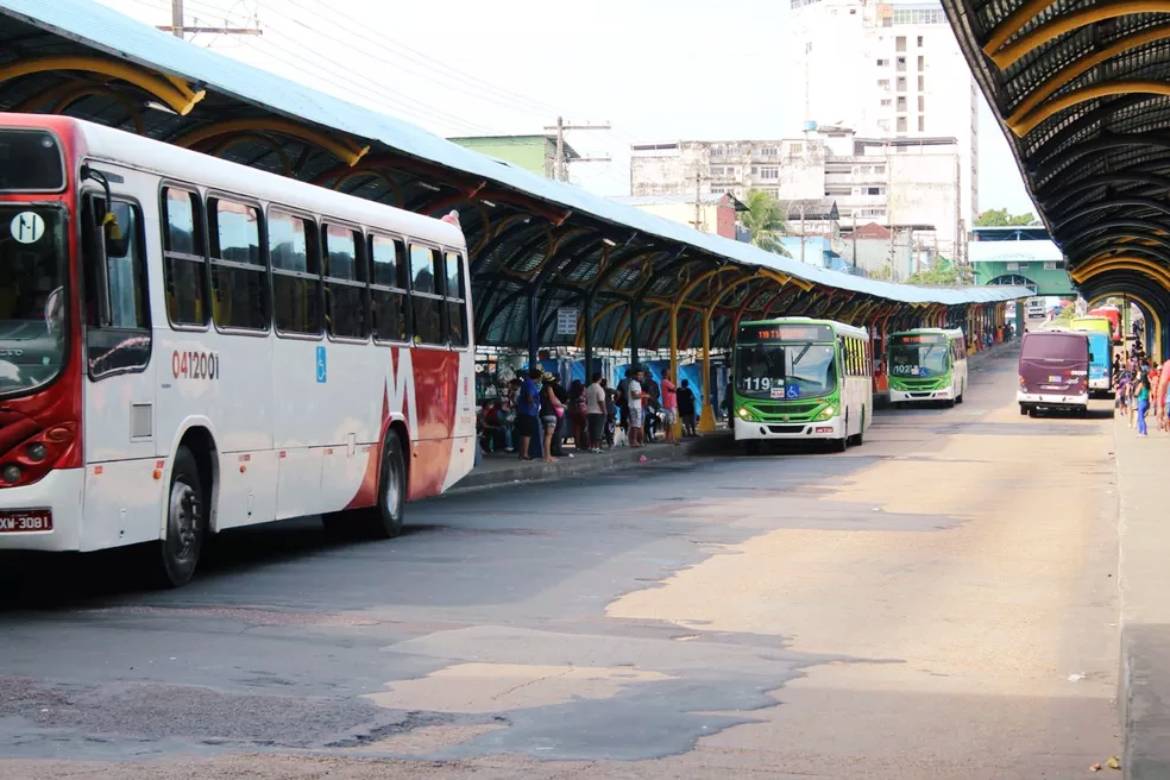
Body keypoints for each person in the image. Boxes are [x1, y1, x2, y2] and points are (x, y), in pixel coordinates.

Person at [516, 368, 542, 460]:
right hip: (528, 412)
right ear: (538, 377)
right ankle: (525, 454)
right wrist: (534, 404)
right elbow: (529, 397)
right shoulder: (530, 384)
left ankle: (521, 453)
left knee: (523, 433)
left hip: (523, 411)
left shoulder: (525, 383)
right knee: (527, 434)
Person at [540, 373, 562, 463]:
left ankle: (547, 455)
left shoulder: (541, 389)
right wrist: (562, 405)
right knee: (549, 436)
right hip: (550, 413)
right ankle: (548, 456)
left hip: (543, 413)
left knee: (546, 435)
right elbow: (553, 401)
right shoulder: (549, 388)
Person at [585, 372, 606, 453]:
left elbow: (586, 400)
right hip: (598, 412)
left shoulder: (588, 388)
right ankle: (596, 447)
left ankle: (591, 446)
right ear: (599, 379)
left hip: (589, 412)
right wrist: (604, 411)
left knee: (591, 430)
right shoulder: (599, 389)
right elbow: (601, 401)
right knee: (598, 430)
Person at [568, 379, 589, 451]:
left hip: (573, 411)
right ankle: (585, 444)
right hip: (583, 410)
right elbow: (587, 399)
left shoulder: (571, 392)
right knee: (585, 427)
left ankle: (577, 445)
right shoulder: (583, 389)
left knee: (576, 429)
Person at [627, 368, 645, 448]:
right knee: (635, 424)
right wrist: (644, 395)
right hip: (634, 406)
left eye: (642, 375)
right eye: (639, 375)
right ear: (634, 375)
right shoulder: (633, 383)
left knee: (636, 424)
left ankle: (634, 441)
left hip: (637, 406)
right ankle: (634, 441)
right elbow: (634, 395)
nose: (641, 376)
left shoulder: (637, 384)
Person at [660, 371, 679, 445]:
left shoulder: (664, 382)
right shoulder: (666, 382)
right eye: (668, 373)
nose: (670, 373)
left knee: (668, 422)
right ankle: (672, 438)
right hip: (670, 404)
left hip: (668, 404)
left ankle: (667, 437)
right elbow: (674, 388)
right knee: (671, 422)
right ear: (666, 374)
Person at [642, 372, 660, 442]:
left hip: (649, 404)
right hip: (654, 404)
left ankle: (649, 437)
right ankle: (651, 436)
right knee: (654, 420)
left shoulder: (644, 384)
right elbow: (658, 394)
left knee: (648, 421)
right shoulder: (655, 383)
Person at [1136, 369, 1151, 437]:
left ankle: (1143, 431)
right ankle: (1140, 431)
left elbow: (1136, 393)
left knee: (1140, 417)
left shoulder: (1141, 384)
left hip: (1141, 401)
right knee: (1141, 417)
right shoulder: (1148, 385)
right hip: (1146, 402)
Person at [603, 377, 617, 448]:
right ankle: (610, 441)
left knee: (605, 426)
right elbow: (618, 392)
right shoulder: (609, 390)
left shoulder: (601, 390)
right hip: (610, 410)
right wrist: (615, 400)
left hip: (603, 411)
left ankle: (607, 440)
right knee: (610, 426)